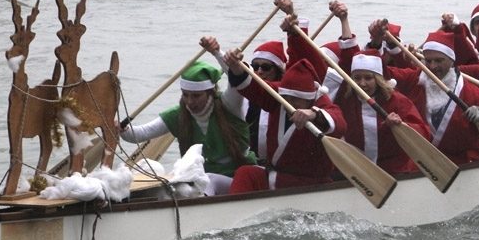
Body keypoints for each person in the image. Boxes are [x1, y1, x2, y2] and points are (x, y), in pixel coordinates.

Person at [118, 59, 257, 196]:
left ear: (211, 92)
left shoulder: (230, 105)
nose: (190, 101)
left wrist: (216, 53)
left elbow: (238, 79)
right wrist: (122, 130)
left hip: (239, 178)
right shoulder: (178, 114)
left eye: (196, 96)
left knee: (209, 180)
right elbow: (140, 134)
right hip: (201, 179)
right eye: (185, 95)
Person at [224, 54, 347, 193]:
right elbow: (256, 89)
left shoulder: (322, 105)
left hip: (312, 184)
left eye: (295, 99)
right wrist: (237, 69)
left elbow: (339, 123)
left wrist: (314, 114)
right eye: (286, 98)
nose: (289, 103)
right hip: (278, 177)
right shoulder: (279, 97)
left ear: (309, 98)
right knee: (245, 173)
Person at [388, 30, 479, 164]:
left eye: (439, 60)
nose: (433, 67)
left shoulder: (471, 92)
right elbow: (382, 73)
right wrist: (379, 43)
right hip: (423, 160)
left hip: (463, 163)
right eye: (428, 61)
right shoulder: (414, 79)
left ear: (451, 60)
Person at [332, 49, 432, 174]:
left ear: (378, 79)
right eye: (357, 78)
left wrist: (401, 125)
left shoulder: (398, 101)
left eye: (368, 78)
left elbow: (424, 133)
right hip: (354, 166)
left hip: (393, 169)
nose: (362, 83)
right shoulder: (345, 98)